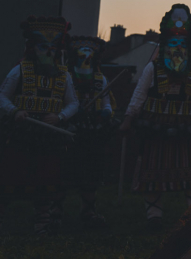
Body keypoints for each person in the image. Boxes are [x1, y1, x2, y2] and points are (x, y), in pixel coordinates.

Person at [120, 4, 191, 225]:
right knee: (152, 172)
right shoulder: (152, 69)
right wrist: (128, 118)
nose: (177, 49)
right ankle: (154, 215)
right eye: (173, 43)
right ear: (164, 45)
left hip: (184, 130)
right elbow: (139, 95)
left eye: (181, 44)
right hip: (156, 129)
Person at [0, 16, 79, 234]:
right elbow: (2, 97)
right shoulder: (20, 71)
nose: (48, 52)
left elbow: (73, 103)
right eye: (43, 47)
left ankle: (42, 220)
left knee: (47, 177)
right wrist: (15, 111)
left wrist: (60, 117)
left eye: (53, 48)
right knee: (10, 174)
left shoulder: (65, 76)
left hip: (49, 137)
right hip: (21, 133)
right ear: (33, 48)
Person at [66, 35, 114, 225]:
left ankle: (88, 210)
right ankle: (53, 210)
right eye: (82, 50)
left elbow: (107, 103)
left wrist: (105, 113)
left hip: (93, 132)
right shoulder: (66, 76)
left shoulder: (100, 79)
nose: (86, 54)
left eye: (90, 51)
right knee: (65, 170)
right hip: (69, 130)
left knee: (92, 172)